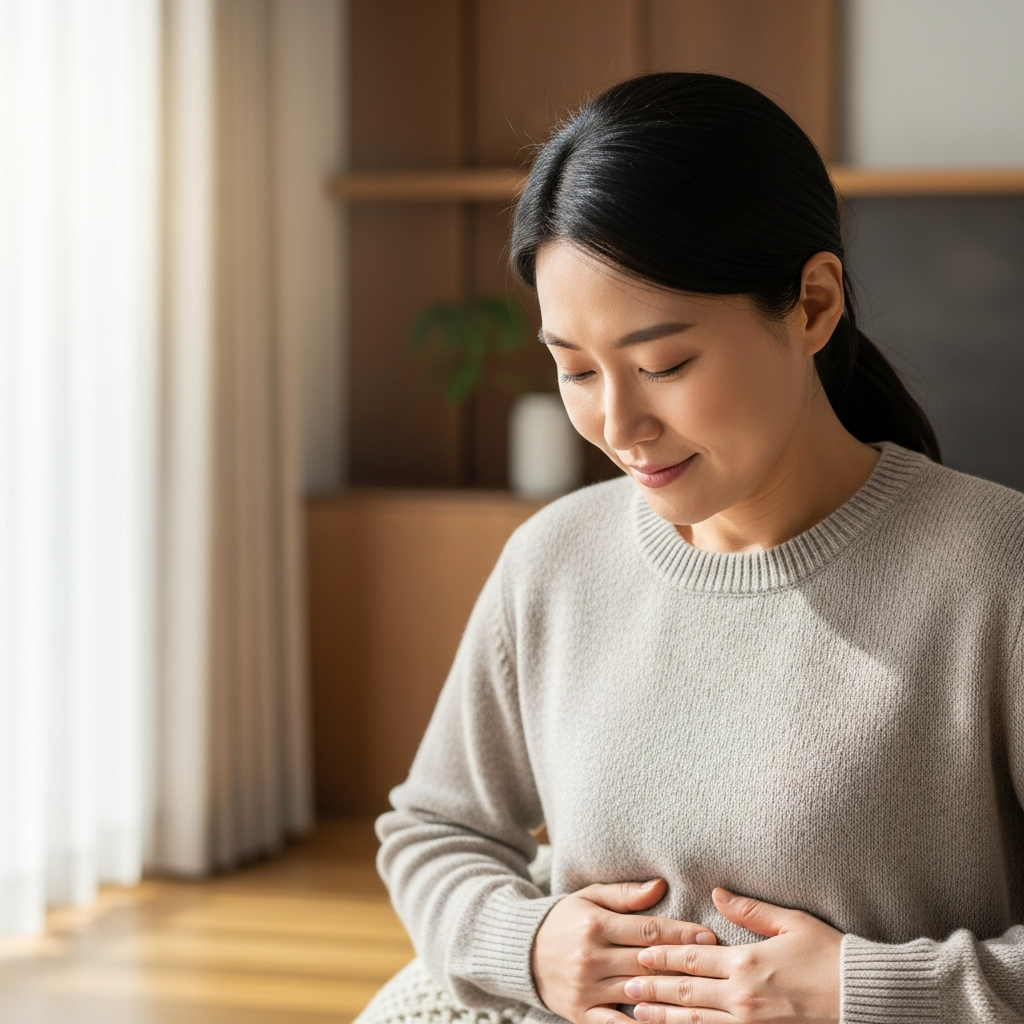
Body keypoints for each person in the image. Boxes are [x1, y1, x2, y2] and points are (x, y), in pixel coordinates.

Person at [367, 73, 1024, 1024]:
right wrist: (529, 944)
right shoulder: (554, 562)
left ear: (813, 304)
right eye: (575, 370)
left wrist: (865, 989)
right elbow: (432, 828)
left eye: (663, 364)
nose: (619, 424)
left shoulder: (995, 573)